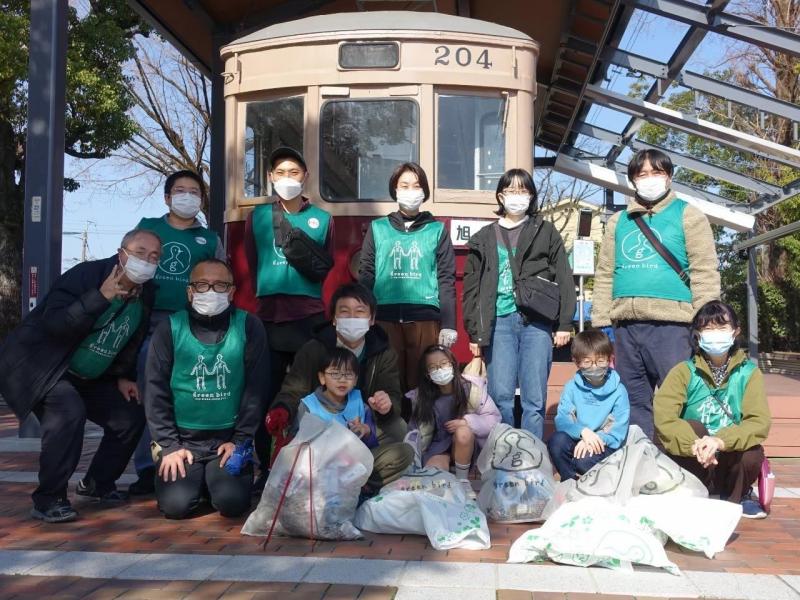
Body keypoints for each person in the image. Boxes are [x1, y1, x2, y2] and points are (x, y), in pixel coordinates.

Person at [0, 229, 161, 522]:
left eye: (154, 257)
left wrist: (123, 376)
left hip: (92, 376)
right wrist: (101, 296)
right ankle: (49, 498)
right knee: (68, 412)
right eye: (140, 253)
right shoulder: (87, 275)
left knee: (130, 415)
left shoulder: (146, 292)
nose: (147, 261)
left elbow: (132, 337)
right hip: (46, 368)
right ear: (121, 253)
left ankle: (97, 484)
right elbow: (56, 326)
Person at [592, 149, 720, 439]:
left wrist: (705, 322)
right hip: (625, 326)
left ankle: (686, 462)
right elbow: (605, 273)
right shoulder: (618, 221)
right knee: (634, 400)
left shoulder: (688, 214)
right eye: (642, 174)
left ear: (669, 177)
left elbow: (705, 271)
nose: (649, 179)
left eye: (657, 172)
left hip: (673, 326)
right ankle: (643, 460)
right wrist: (601, 322)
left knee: (680, 397)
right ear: (633, 180)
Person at [144, 259, 267, 519]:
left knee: (232, 503)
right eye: (202, 285)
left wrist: (240, 440)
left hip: (227, 441)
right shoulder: (170, 328)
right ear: (190, 291)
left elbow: (256, 389)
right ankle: (195, 482)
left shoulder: (249, 326)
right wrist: (168, 445)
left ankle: (211, 482)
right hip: (182, 441)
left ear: (232, 292)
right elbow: (155, 391)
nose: (211, 291)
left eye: (220, 285)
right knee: (176, 507)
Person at [129, 170, 226, 495]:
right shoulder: (148, 228)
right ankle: (147, 466)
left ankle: (191, 460)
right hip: (149, 321)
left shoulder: (210, 238)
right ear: (168, 197)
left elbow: (221, 279)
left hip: (191, 326)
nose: (187, 196)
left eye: (194, 191)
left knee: (187, 391)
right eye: (180, 191)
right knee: (150, 392)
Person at [463, 168, 576, 440]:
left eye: (523, 191)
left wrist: (564, 323)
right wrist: (474, 331)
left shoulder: (545, 231)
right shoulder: (483, 237)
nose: (517, 196)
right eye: (511, 190)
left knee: (534, 400)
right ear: (500, 196)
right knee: (501, 396)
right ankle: (502, 456)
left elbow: (564, 276)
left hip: (536, 322)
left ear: (532, 196)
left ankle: (533, 457)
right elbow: (471, 289)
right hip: (497, 323)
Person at [245, 146, 334, 489]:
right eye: (280, 173)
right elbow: (253, 264)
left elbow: (325, 267)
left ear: (305, 177)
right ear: (270, 177)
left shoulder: (324, 219)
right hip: (268, 318)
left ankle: (305, 468)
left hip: (308, 319)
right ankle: (265, 470)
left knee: (309, 397)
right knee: (262, 396)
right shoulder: (258, 218)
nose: (287, 179)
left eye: (294, 172)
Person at [267, 283, 413, 490]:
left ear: (371, 319)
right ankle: (352, 483)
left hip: (360, 430)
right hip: (320, 433)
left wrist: (386, 405)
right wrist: (282, 409)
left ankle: (350, 483)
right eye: (345, 312)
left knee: (400, 434)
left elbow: (393, 395)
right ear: (334, 319)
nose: (352, 318)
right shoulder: (314, 349)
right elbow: (293, 389)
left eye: (360, 312)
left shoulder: (383, 353)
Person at [654, 301, 770, 518]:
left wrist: (719, 440)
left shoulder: (749, 374)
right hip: (693, 457)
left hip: (728, 457)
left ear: (735, 332)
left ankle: (738, 497)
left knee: (753, 453)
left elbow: (758, 422)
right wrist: (695, 443)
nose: (715, 334)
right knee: (694, 427)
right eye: (708, 329)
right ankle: (692, 492)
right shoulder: (683, 372)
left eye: (722, 328)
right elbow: (665, 417)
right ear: (697, 334)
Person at [359, 162, 457, 394]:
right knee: (385, 384)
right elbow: (366, 274)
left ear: (424, 191)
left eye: (416, 185)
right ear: (395, 189)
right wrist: (362, 314)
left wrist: (449, 324)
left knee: (423, 385)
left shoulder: (437, 231)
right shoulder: (377, 228)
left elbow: (446, 278)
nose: (410, 190)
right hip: (384, 319)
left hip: (424, 319)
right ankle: (389, 429)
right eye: (404, 185)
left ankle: (424, 429)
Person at [406, 345, 501, 482]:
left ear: (453, 364)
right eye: (433, 367)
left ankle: (463, 481)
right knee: (434, 476)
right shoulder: (421, 397)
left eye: (444, 363)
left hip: (466, 445)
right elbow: (413, 432)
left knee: (463, 432)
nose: (439, 369)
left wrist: (467, 422)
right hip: (437, 447)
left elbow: (494, 419)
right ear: (427, 374)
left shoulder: (472, 389)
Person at [548, 330, 630, 481]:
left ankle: (598, 484)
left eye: (600, 361)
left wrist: (595, 440)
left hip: (604, 444)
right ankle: (569, 481)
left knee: (584, 460)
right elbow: (563, 420)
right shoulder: (571, 387)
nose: (594, 367)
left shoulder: (619, 391)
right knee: (556, 442)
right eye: (587, 362)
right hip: (579, 438)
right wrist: (583, 433)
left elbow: (618, 431)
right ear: (577, 362)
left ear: (609, 359)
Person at [296, 348, 379, 450]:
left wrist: (366, 430)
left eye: (348, 374)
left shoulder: (360, 405)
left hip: (356, 460)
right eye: (335, 374)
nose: (342, 379)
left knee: (398, 454)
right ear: (322, 378)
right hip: (318, 462)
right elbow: (298, 443)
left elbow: (372, 444)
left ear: (355, 380)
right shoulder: (308, 407)